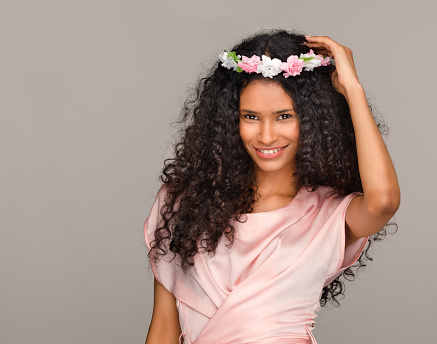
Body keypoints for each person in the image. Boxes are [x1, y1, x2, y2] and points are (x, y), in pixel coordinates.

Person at [143, 29, 400, 344]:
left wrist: (352, 90)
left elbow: (383, 202)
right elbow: (163, 329)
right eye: (251, 116)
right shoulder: (183, 204)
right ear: (228, 120)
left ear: (313, 120)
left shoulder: (330, 214)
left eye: (284, 116)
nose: (266, 136)